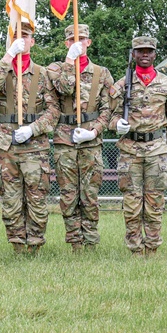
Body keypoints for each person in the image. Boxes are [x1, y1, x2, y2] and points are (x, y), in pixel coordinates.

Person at [0, 20, 60, 253]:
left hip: (35, 146)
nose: (21, 40)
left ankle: (34, 245)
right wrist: (9, 56)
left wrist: (33, 128)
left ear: (32, 41)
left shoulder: (43, 74)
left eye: (25, 36)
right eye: (17, 36)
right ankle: (16, 245)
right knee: (11, 199)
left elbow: (53, 110)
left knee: (36, 197)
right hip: (7, 146)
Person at [108, 35, 167, 256]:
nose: (145, 55)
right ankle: (135, 250)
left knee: (154, 202)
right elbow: (108, 116)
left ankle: (152, 248)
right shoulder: (121, 85)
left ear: (155, 54)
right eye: (140, 51)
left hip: (157, 150)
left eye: (149, 51)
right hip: (130, 149)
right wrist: (116, 124)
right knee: (132, 203)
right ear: (133, 54)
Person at [46, 23, 114, 251]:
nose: (78, 42)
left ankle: (91, 242)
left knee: (90, 194)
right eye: (73, 39)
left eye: (82, 39)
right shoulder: (56, 68)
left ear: (89, 42)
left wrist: (94, 131)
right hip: (65, 139)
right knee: (68, 194)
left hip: (91, 141)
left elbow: (108, 109)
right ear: (66, 43)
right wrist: (69, 61)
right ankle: (75, 242)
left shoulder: (101, 73)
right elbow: (64, 89)